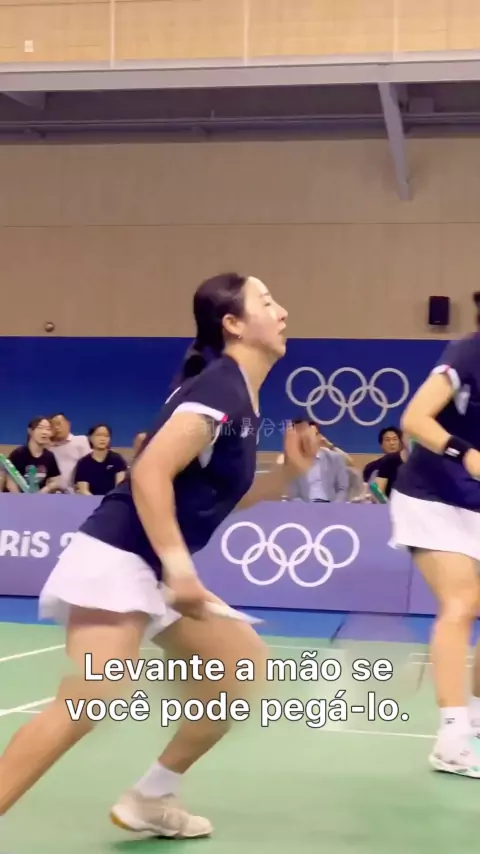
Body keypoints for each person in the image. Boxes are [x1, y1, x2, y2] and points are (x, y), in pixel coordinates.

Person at [0, 273, 316, 835]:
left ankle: (151, 797)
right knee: (86, 703)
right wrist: (179, 566)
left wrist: (289, 473)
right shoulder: (220, 389)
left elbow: (225, 496)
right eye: (267, 302)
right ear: (233, 324)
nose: (282, 311)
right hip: (118, 557)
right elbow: (149, 474)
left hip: (148, 567)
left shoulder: (239, 395)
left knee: (237, 674)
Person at [389, 331, 480, 776]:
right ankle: (451, 739)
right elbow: (414, 418)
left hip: (477, 503)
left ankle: (476, 717)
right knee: (460, 604)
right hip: (432, 496)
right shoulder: (469, 351)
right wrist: (465, 453)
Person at [6, 417, 61, 493]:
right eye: (40, 428)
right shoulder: (18, 454)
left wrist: (46, 489)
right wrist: (21, 499)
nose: (44, 432)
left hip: (40, 498)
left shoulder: (49, 456)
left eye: (48, 429)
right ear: (30, 431)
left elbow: (55, 480)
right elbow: (11, 484)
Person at [74, 424, 127, 495]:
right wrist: (94, 500)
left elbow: (119, 487)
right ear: (90, 438)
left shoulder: (117, 459)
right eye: (98, 435)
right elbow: (84, 490)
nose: (102, 439)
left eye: (106, 436)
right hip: (90, 500)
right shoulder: (83, 463)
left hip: (113, 499)